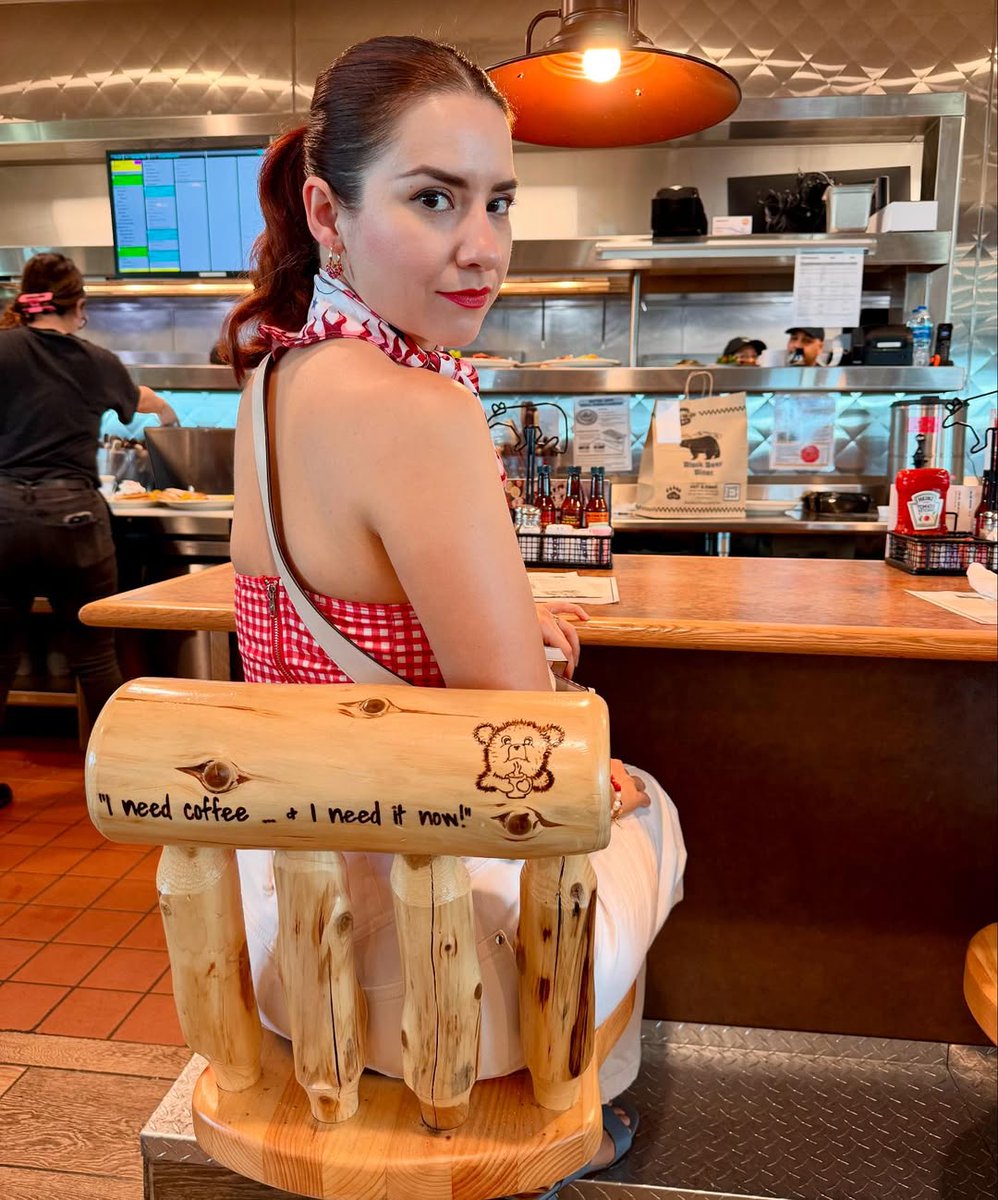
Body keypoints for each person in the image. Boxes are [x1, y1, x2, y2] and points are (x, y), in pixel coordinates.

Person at [224, 35, 685, 1178]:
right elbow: (517, 740)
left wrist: (490, 625)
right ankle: (566, 1113)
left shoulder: (270, 378)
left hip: (292, 951)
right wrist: (577, 734)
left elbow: (337, 621)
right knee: (645, 803)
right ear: (327, 213)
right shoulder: (417, 410)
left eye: (497, 201)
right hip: (433, 983)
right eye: (432, 199)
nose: (481, 249)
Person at [0, 253, 179, 806]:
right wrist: (169, 418)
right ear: (79, 307)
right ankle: (119, 782)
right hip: (73, 520)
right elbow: (144, 404)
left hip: (3, 516)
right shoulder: (95, 359)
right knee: (94, 653)